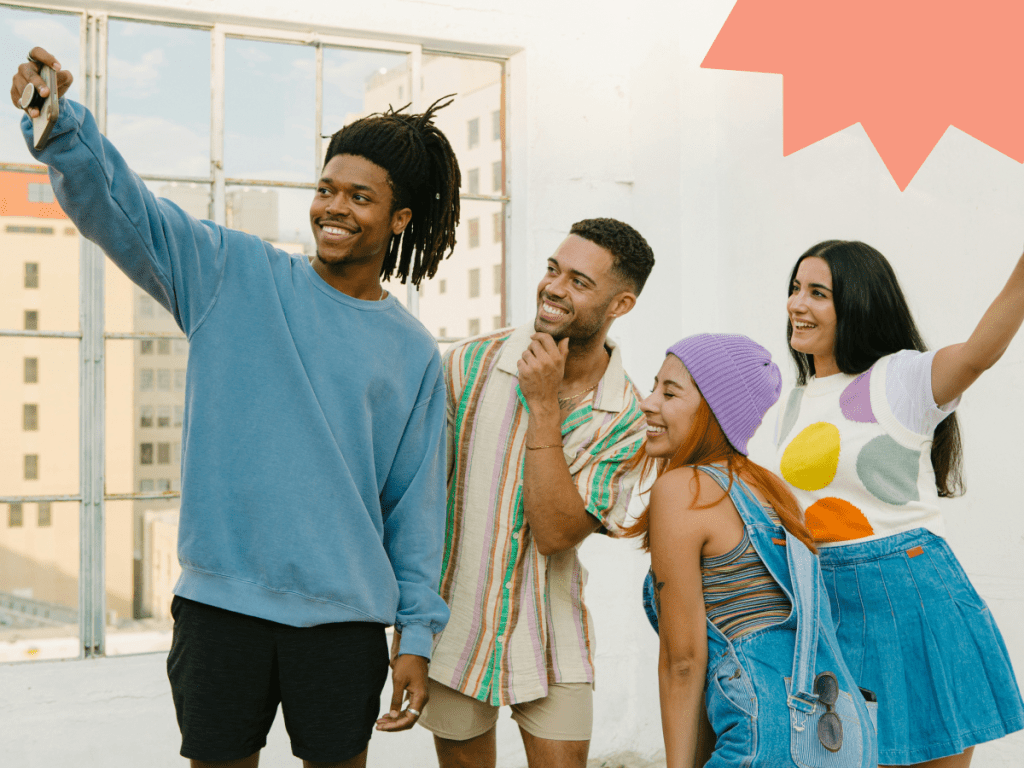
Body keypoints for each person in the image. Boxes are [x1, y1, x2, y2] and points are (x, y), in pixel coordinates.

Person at [12, 47, 460, 768]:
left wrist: (416, 637)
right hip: (221, 611)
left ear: (400, 217)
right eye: (326, 188)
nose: (333, 208)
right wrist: (61, 127)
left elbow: (416, 516)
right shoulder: (233, 274)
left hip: (344, 624)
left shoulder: (411, 352)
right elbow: (128, 213)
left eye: (360, 197)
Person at [411, 219, 654, 768]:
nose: (554, 288)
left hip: (552, 638)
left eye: (579, 281)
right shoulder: (468, 364)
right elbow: (416, 500)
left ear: (621, 304)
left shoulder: (628, 419)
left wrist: (542, 407)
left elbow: (556, 534)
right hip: (455, 628)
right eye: (552, 269)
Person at [777, 240, 1024, 767]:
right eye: (796, 289)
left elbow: (980, 351)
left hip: (909, 597)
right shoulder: (794, 399)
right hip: (826, 603)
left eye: (818, 293)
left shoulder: (902, 378)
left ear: (859, 304)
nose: (798, 304)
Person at [627, 333, 878, 768]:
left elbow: (684, 663)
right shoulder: (771, 491)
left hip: (764, 736)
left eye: (669, 392)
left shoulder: (682, 490)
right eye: (654, 388)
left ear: (713, 411)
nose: (648, 403)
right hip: (829, 739)